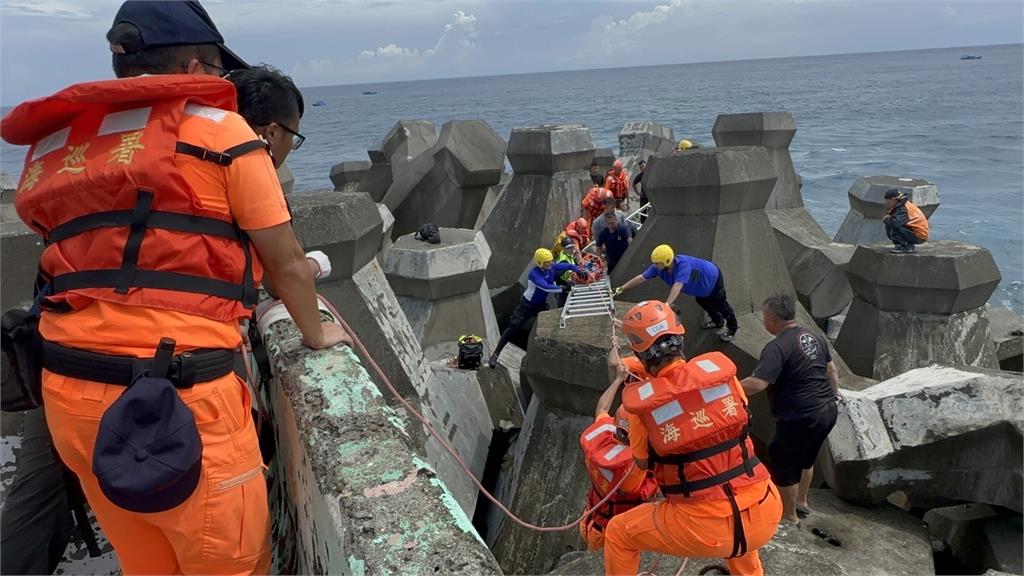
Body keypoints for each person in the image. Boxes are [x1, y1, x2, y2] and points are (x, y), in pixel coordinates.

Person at [1, 2, 349, 574]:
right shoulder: (221, 130)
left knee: (146, 561)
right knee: (229, 563)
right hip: (177, 401)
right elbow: (284, 261)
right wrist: (316, 335)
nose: (223, 88)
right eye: (217, 72)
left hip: (68, 391)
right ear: (193, 67)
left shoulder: (69, 142)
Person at [604, 301, 782, 576]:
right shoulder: (724, 380)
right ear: (680, 339)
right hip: (766, 510)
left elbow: (641, 462)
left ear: (641, 356)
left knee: (618, 533)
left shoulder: (642, 410)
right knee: (736, 493)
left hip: (703, 528)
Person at [739, 295, 840, 526]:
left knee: (784, 462)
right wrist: (835, 394)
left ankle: (788, 516)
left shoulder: (777, 347)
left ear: (772, 319)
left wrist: (728, 388)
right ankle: (802, 502)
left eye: (765, 317)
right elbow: (831, 371)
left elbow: (758, 383)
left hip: (799, 415)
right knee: (806, 458)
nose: (764, 321)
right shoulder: (814, 336)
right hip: (827, 411)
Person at [579, 347, 659, 551]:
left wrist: (617, 381)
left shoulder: (604, 439)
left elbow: (601, 409)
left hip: (590, 519)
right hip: (610, 533)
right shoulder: (630, 470)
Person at [615, 244, 739, 341]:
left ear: (667, 261)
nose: (654, 265)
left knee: (720, 304)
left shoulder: (683, 265)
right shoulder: (659, 268)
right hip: (701, 287)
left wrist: (666, 305)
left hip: (713, 278)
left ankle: (732, 328)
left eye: (657, 263)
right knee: (702, 301)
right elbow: (641, 277)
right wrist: (621, 288)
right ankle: (717, 321)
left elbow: (677, 285)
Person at [488, 248, 582, 368]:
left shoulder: (552, 267)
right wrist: (564, 288)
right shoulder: (534, 274)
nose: (551, 264)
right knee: (513, 327)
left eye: (551, 261)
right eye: (547, 262)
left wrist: (578, 270)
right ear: (540, 263)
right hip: (527, 305)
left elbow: (567, 265)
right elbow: (546, 287)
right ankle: (496, 354)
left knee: (547, 325)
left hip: (541, 304)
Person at [882, 188, 929, 253]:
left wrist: (886, 219)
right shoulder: (903, 205)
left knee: (891, 227)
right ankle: (905, 245)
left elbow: (894, 223)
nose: (886, 203)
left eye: (887, 201)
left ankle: (905, 246)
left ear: (893, 199)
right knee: (893, 223)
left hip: (918, 235)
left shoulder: (903, 209)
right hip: (918, 233)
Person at [555, 235, 581, 307]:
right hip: (563, 288)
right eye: (569, 248)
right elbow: (566, 275)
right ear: (563, 249)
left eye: (572, 247)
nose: (572, 249)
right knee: (562, 307)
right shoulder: (563, 261)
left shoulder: (567, 254)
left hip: (566, 285)